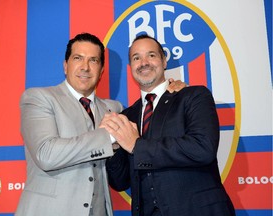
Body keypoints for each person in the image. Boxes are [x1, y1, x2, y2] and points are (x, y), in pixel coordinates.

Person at [15, 33, 186, 216]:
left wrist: (171, 93)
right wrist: (108, 136)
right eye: (78, 58)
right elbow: (46, 154)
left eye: (93, 60)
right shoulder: (38, 98)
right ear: (66, 66)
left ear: (102, 70)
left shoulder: (115, 109)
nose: (85, 67)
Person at [101, 34, 236, 216]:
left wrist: (137, 146)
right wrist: (115, 147)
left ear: (164, 61)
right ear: (131, 66)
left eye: (151, 55)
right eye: (136, 58)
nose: (144, 62)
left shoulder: (193, 96)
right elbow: (121, 182)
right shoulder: (128, 116)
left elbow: (203, 148)